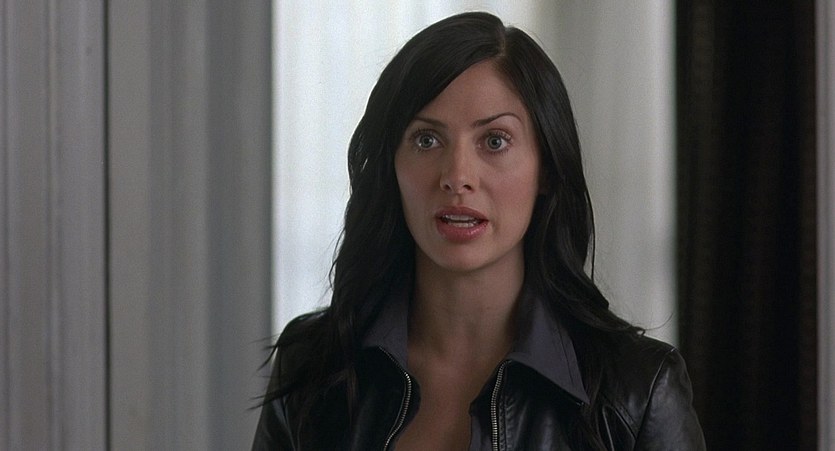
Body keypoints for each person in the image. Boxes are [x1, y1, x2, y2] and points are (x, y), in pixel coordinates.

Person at [253, 11, 705, 450]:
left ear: (547, 168)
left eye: (494, 141)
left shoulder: (637, 395)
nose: (457, 176)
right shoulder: (314, 367)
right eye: (427, 140)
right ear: (391, 166)